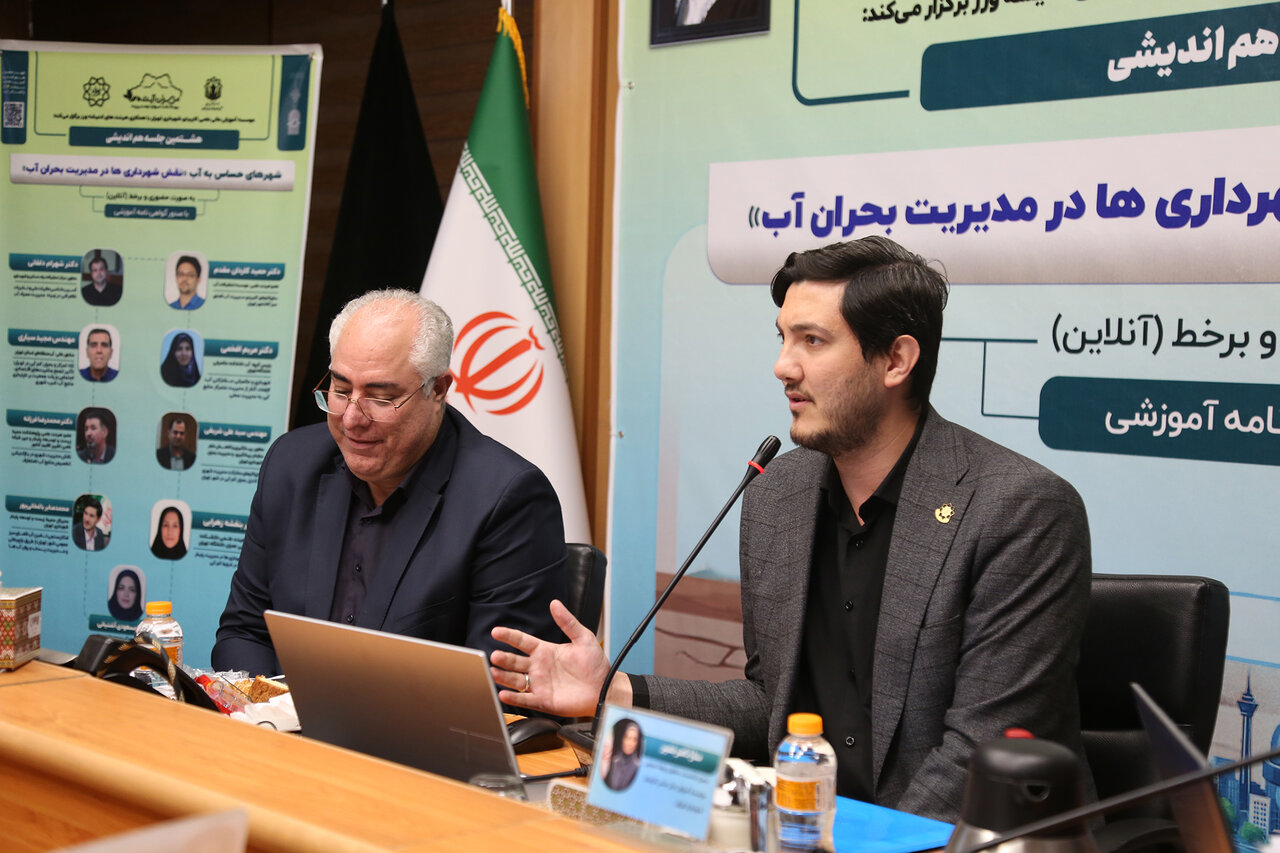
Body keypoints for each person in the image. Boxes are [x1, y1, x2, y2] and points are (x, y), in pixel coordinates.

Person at [488, 237, 1091, 823]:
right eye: (783, 338)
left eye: (812, 340)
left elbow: (979, 756)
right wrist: (613, 692)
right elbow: (769, 704)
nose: (782, 366)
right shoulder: (778, 494)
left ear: (896, 361)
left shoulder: (1020, 510)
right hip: (804, 830)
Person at [212, 289, 568, 676]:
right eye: (340, 390)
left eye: (380, 398)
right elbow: (244, 632)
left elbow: (501, 684)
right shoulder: (291, 465)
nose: (351, 419)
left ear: (438, 390)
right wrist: (277, 707)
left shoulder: (506, 499)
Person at [602, 719, 644, 791]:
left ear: (637, 743)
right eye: (628, 738)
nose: (630, 743)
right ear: (623, 740)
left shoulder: (638, 767)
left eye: (634, 739)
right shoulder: (613, 761)